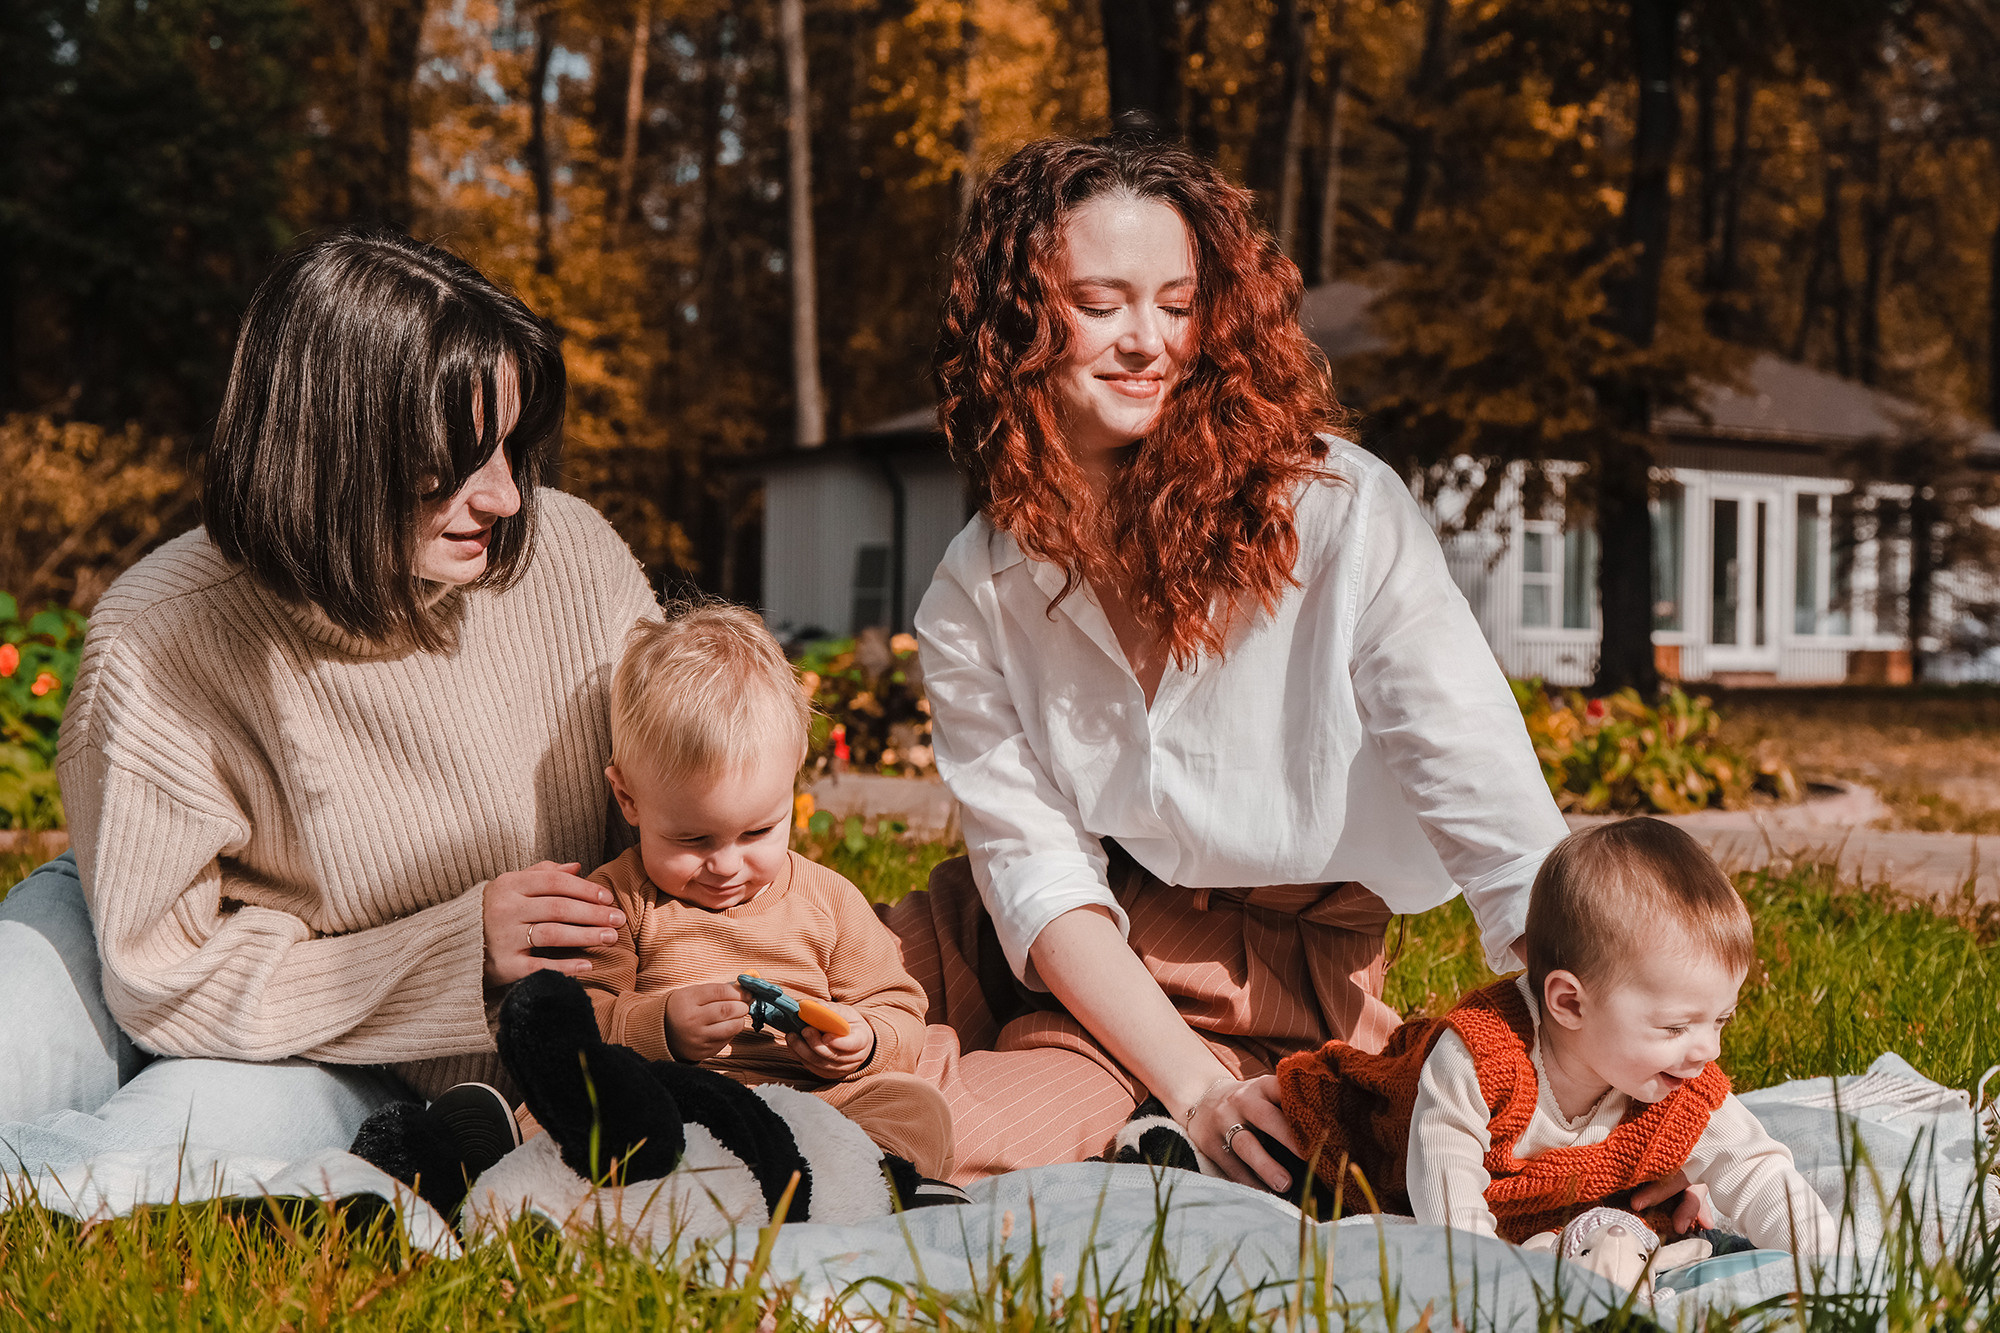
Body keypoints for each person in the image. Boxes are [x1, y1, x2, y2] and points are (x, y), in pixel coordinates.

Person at [885, 126, 1691, 1209]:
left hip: (1278, 972)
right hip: (1060, 936)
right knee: (774, 980)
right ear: (1015, 321)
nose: (1146, 341)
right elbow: (1038, 880)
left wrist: (1638, 1091)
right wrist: (1189, 1087)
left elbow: (1497, 821)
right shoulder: (974, 590)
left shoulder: (1337, 517)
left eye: (1177, 306)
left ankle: (825, 1134)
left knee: (962, 1125)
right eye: (1100, 302)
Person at [0, 230, 652, 1170]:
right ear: (335, 450)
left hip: (363, 1055)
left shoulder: (577, 563)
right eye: (462, 457)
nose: (508, 497)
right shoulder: (160, 633)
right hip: (181, 944)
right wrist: (458, 947)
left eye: (512, 446)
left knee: (134, 1161)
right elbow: (164, 977)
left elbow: (702, 832)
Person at [1278, 819, 1839, 1261]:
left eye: (1721, 1020)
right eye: (1675, 1028)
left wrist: (1830, 1268)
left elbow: (1757, 1171)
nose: (1707, 1051)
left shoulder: (1679, 1087)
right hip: (1370, 1160)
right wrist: (1492, 1284)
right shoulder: (1481, 1059)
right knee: (1299, 1161)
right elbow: (1446, 1197)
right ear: (1569, 1003)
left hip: (1533, 1211)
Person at [529, 604, 953, 1179]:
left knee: (916, 1105)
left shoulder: (827, 900)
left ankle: (871, 1184)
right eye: (692, 839)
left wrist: (865, 1039)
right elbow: (580, 1021)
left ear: (793, 781)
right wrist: (662, 1026)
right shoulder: (618, 901)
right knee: (558, 1106)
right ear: (628, 799)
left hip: (814, 1108)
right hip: (675, 1104)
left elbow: (898, 1006)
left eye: (758, 832)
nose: (726, 866)